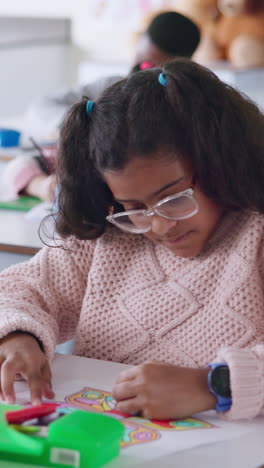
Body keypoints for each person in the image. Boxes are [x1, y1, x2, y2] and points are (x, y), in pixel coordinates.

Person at [2, 58, 264, 421]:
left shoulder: (256, 234)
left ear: (220, 162)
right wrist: (17, 335)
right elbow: (18, 289)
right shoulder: (107, 235)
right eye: (134, 207)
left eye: (173, 198)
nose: (157, 225)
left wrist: (214, 385)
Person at [2, 11, 200, 203]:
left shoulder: (179, 121)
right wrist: (43, 186)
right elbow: (23, 161)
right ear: (138, 42)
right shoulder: (108, 89)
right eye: (141, 64)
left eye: (153, 71)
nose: (141, 77)